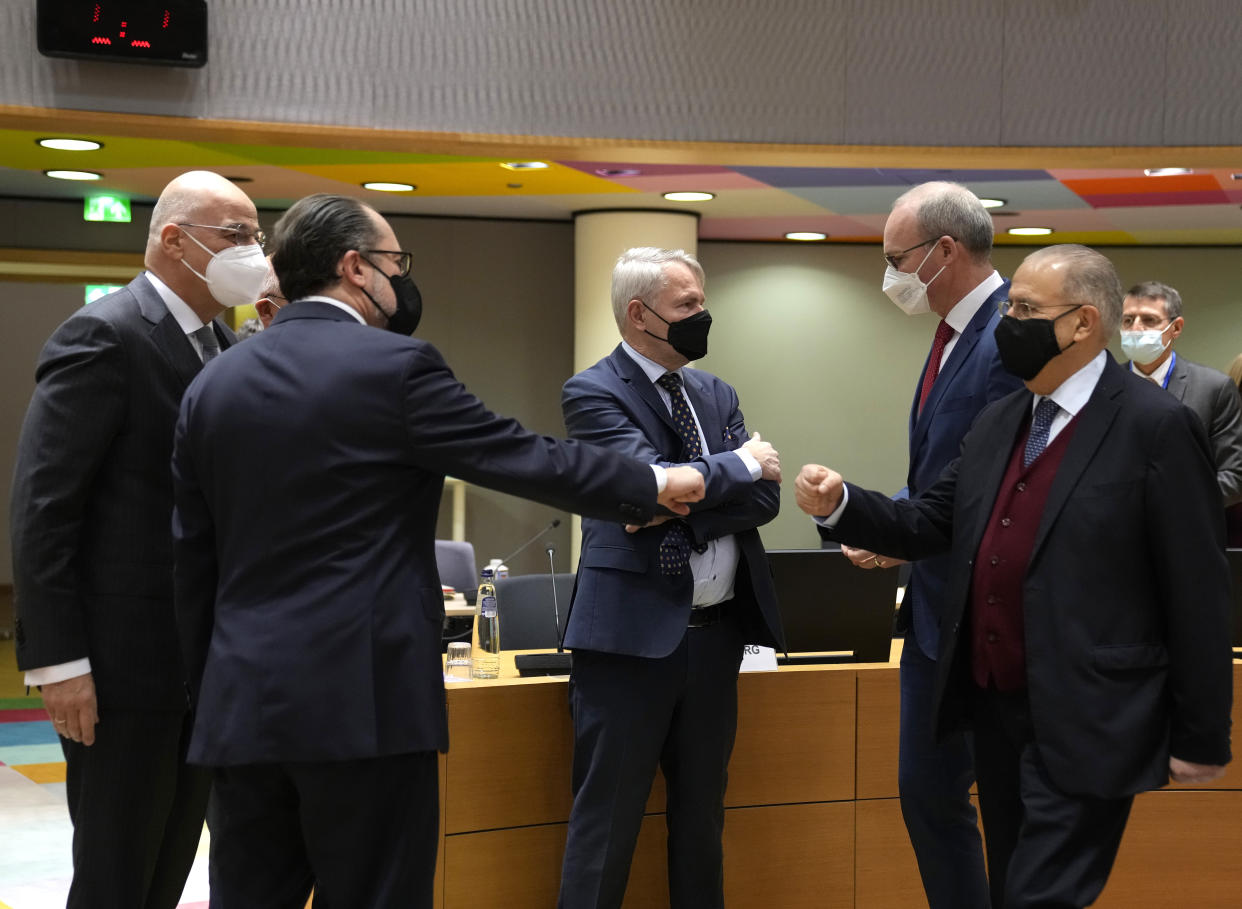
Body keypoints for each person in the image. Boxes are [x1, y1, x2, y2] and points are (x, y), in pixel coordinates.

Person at [170, 194, 706, 909]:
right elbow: (524, 458)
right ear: (355, 268)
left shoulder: (212, 383)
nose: (403, 279)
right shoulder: (396, 368)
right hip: (366, 707)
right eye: (396, 262)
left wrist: (209, 695)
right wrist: (657, 478)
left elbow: (192, 564)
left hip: (240, 713)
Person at [796, 244, 1232, 909]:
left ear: (1083, 323)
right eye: (1009, 307)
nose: (1008, 322)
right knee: (1008, 890)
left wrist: (1202, 732)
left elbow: (1197, 588)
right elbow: (931, 521)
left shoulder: (1156, 426)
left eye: (1026, 309)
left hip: (1092, 713)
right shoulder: (1001, 421)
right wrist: (843, 505)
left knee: (1040, 897)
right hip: (994, 711)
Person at [9, 170, 268, 909]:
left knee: (168, 866)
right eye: (237, 236)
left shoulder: (222, 341)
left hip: (201, 662)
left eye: (258, 236)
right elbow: (43, 507)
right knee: (117, 871)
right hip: (120, 666)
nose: (254, 251)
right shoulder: (105, 332)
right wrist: (58, 663)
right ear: (174, 240)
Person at [556, 247, 785, 909]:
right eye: (689, 306)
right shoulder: (594, 392)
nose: (703, 317)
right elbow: (637, 487)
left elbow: (764, 501)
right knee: (606, 827)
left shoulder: (717, 393)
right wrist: (737, 467)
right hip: (627, 644)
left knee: (702, 823)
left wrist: (678, 507)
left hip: (714, 641)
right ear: (640, 313)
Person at [835, 181, 1020, 909]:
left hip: (987, 618)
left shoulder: (1010, 334)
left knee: (993, 807)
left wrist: (900, 529)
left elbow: (995, 473)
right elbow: (946, 472)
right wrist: (900, 532)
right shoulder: (949, 335)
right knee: (928, 795)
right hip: (935, 611)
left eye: (896, 258)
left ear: (944, 251)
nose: (891, 277)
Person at [1120, 280, 1242, 504]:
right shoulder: (1100, 387)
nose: (1136, 328)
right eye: (1128, 320)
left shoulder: (1213, 388)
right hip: (1113, 528)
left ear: (1175, 328)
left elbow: (1233, 475)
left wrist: (1175, 508)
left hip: (1186, 527)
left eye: (1149, 320)